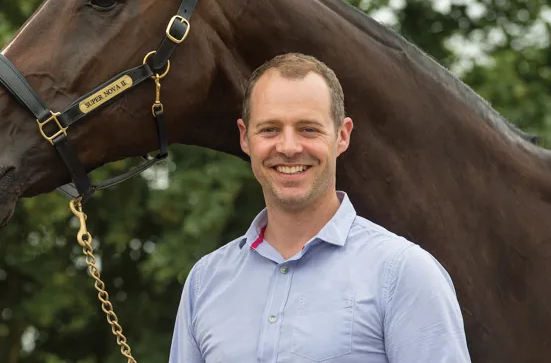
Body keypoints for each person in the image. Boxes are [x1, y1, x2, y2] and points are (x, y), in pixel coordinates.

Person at [169, 53, 471, 363]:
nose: (288, 147)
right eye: (270, 129)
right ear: (245, 137)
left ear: (342, 136)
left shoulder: (404, 273)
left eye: (308, 129)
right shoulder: (205, 281)